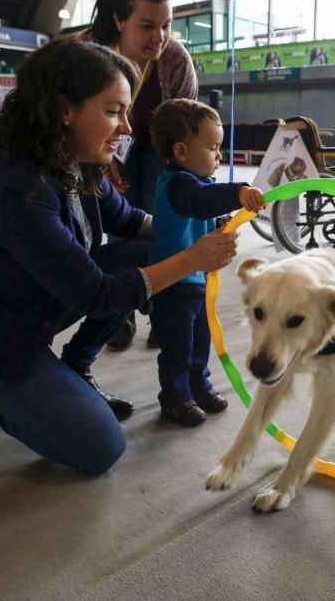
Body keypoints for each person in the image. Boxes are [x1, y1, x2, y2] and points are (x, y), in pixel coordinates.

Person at [0, 39, 239, 475]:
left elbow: (131, 222)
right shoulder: (14, 187)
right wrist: (191, 259)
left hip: (32, 306)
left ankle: (72, 367)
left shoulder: (76, 163)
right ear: (65, 110)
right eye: (112, 111)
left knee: (145, 251)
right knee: (97, 447)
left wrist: (187, 228)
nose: (126, 128)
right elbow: (96, 295)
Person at [84, 0, 198, 352]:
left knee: (161, 219)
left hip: (157, 146)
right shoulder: (89, 53)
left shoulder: (175, 60)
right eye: (147, 26)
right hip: (98, 144)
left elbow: (186, 128)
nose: (159, 37)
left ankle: (163, 308)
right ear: (119, 20)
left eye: (166, 25)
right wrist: (100, 158)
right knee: (117, 221)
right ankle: (121, 309)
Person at [147, 99, 264, 426]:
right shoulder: (177, 185)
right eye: (213, 148)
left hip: (194, 281)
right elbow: (198, 204)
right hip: (172, 284)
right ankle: (174, 397)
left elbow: (201, 215)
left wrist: (221, 225)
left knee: (200, 340)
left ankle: (198, 386)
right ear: (182, 152)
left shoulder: (194, 184)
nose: (219, 156)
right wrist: (238, 191)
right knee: (177, 348)